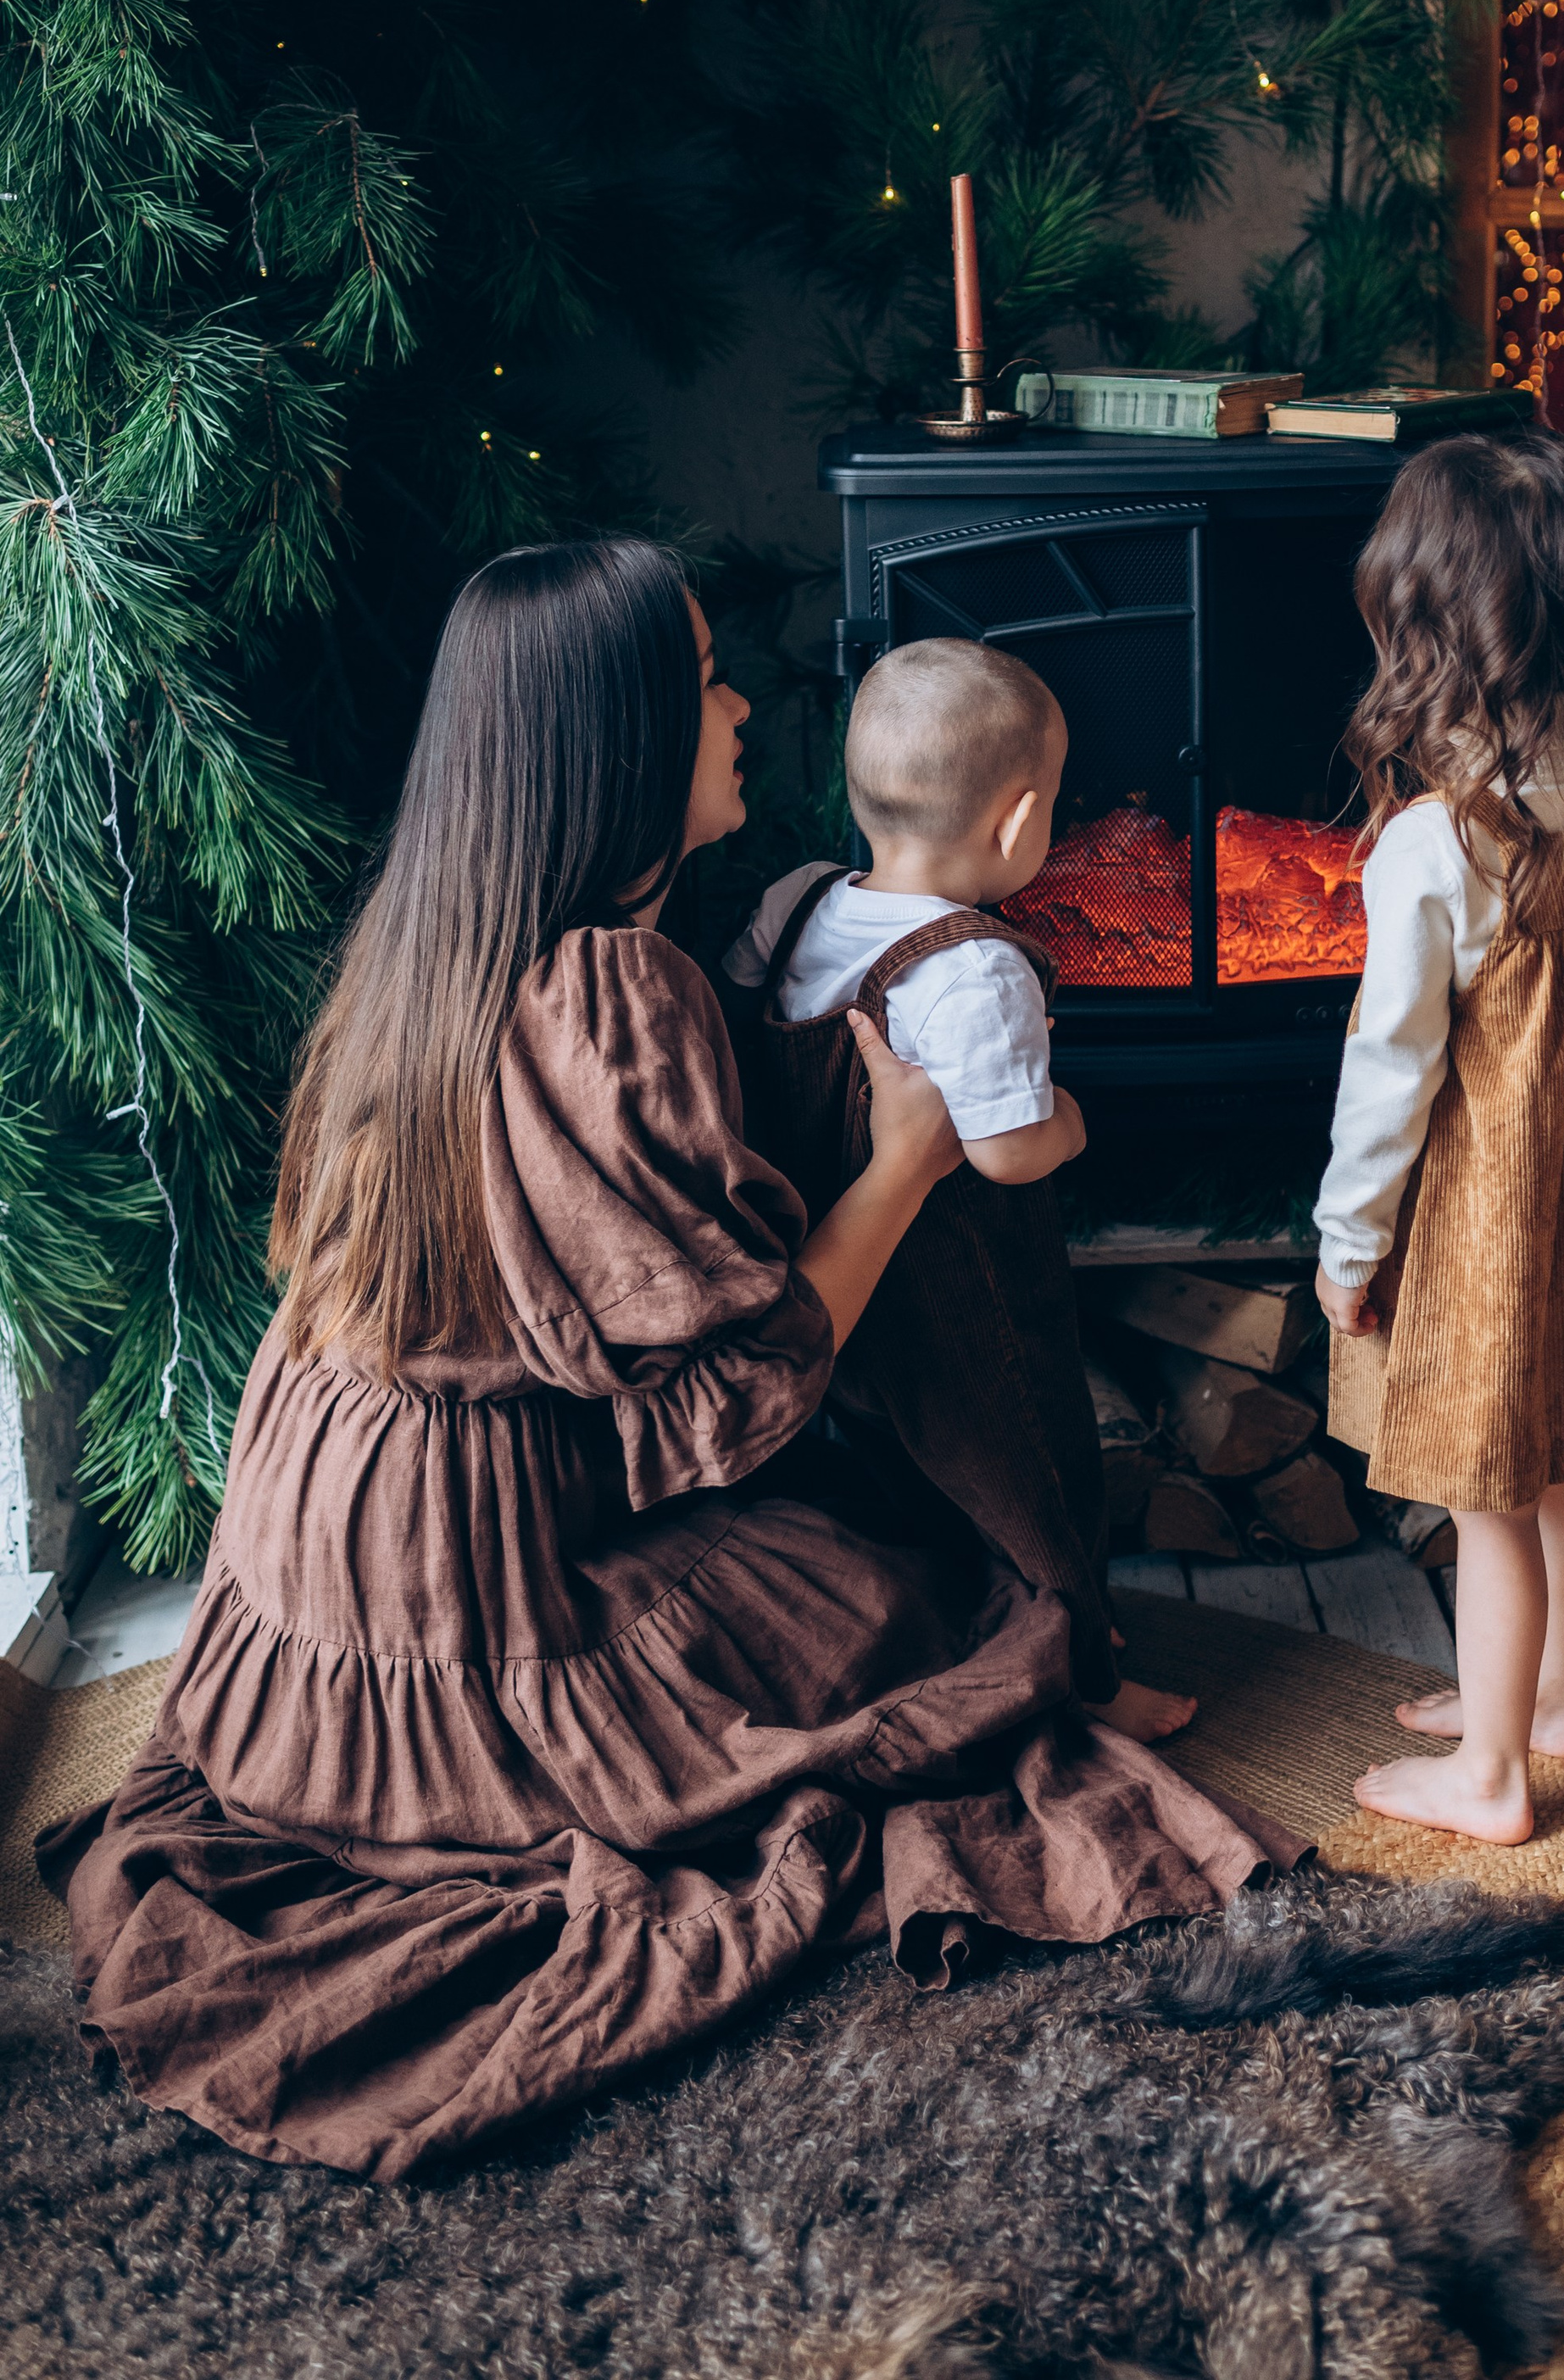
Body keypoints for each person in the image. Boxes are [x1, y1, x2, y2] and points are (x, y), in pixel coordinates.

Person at [42, 540, 1293, 2182]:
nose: (742, 705)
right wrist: (901, 1160)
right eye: (704, 677)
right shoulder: (608, 989)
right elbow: (723, 1409)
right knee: (929, 1624)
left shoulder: (431, 935)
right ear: (616, 735)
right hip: (469, 1558)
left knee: (878, 1578)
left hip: (313, 1512)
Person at [1311, 432, 1564, 1846]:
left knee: (1487, 1497)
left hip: (1496, 1222)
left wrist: (1347, 1241)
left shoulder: (1439, 844)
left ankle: (1492, 1778)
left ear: (1427, 623)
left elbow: (1391, 1070)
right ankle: (1548, 1697)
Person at [726, 638, 1194, 1743]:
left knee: (903, 1480)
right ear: (1020, 822)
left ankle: (974, 1639)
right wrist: (1073, 1118)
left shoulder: (792, 905)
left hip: (829, 1264)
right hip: (958, 1294)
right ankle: (1082, 1676)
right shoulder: (974, 968)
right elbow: (1006, 1152)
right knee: (1031, 1475)